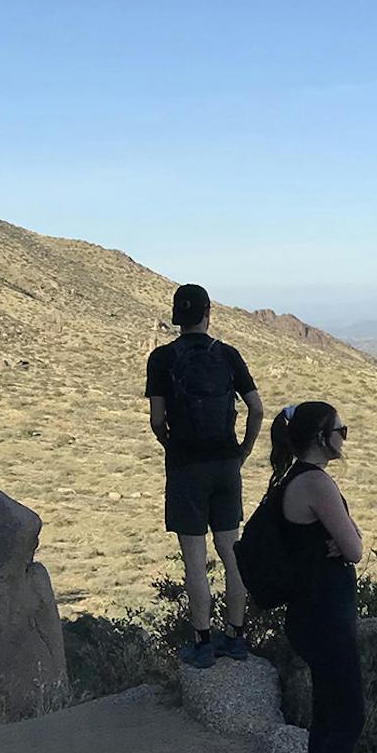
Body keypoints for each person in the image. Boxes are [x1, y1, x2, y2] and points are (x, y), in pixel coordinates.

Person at [270, 400, 373, 753]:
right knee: (348, 715)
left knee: (328, 715)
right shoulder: (315, 482)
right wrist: (345, 533)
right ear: (320, 437)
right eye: (340, 430)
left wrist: (342, 535)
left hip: (311, 615)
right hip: (324, 617)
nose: (343, 437)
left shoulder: (292, 479)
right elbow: (353, 549)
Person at [146, 283, 263, 668]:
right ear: (208, 315)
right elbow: (257, 409)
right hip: (225, 466)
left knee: (195, 561)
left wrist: (171, 446)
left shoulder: (161, 359)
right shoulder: (228, 355)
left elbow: (157, 420)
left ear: (177, 317)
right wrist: (241, 452)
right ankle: (236, 636)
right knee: (233, 554)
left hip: (185, 468)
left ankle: (201, 642)